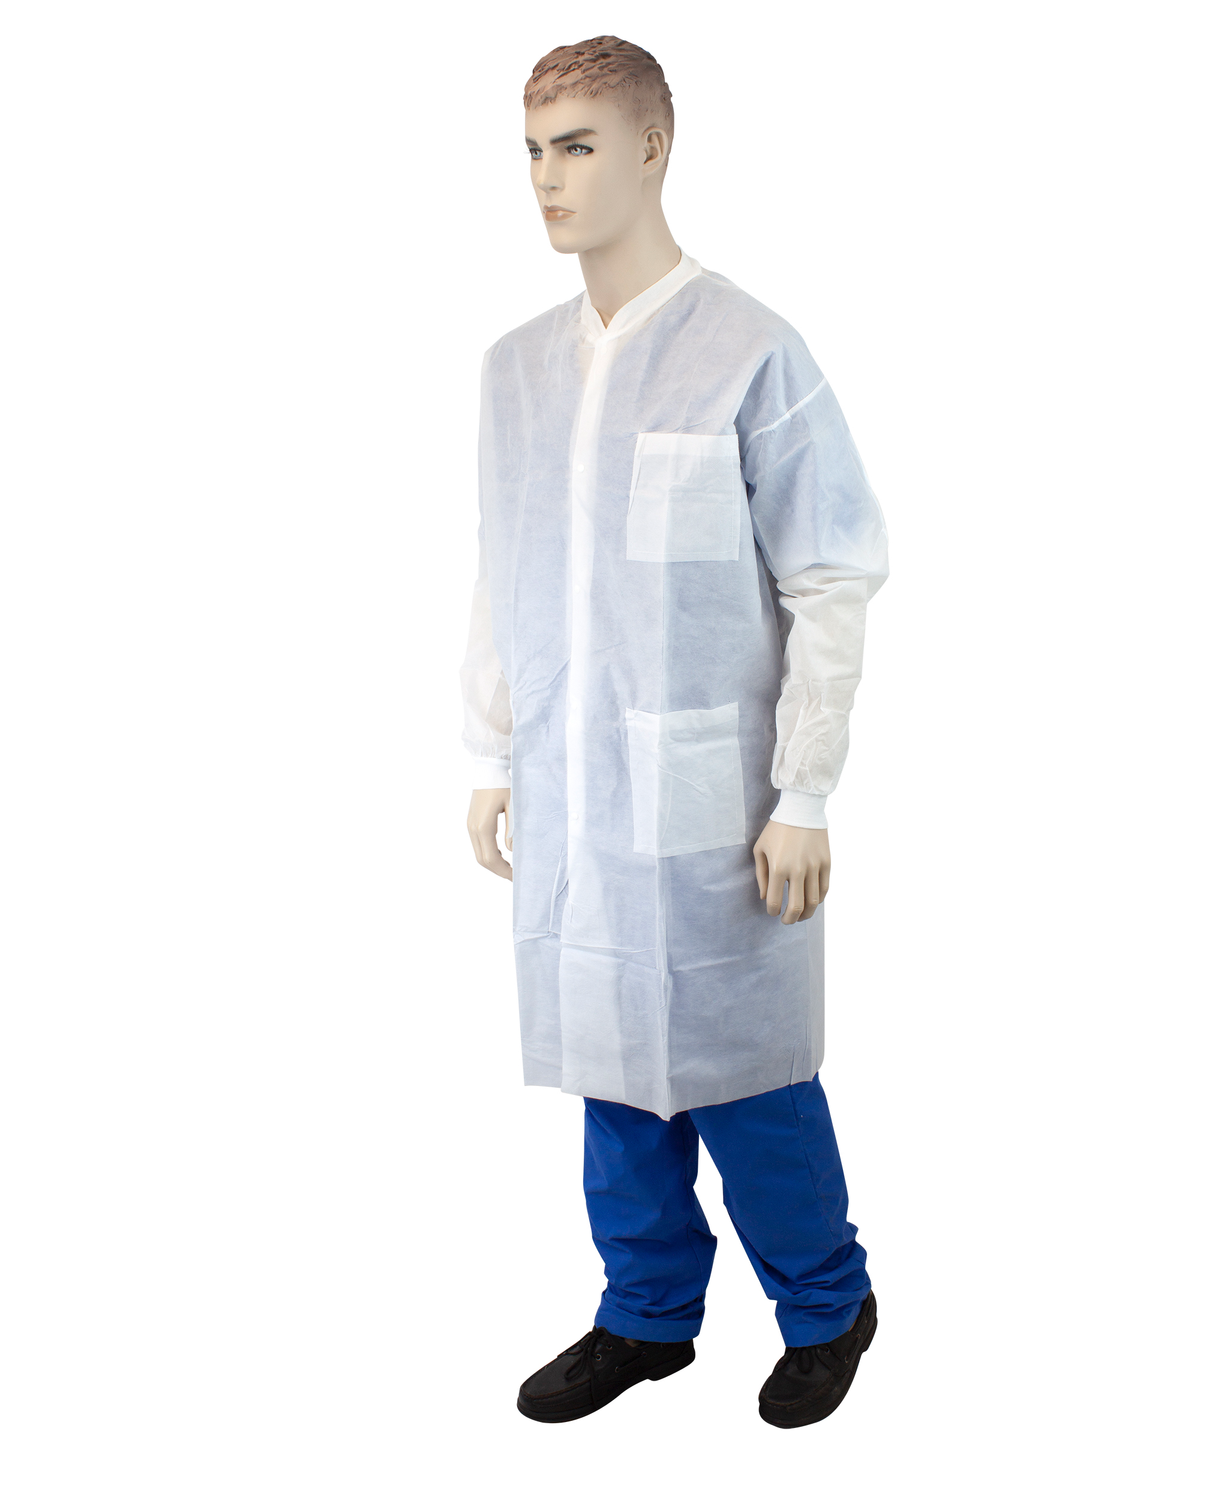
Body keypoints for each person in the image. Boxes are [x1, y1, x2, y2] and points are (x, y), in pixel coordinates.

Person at [460, 36, 889, 1428]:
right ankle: (646, 1313)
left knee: (746, 1074)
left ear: (653, 148)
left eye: (579, 145)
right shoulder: (517, 369)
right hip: (574, 787)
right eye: (535, 150)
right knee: (610, 1064)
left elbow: (830, 572)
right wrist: (494, 751)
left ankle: (827, 1303)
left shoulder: (750, 351)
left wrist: (805, 791)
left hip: (717, 797)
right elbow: (506, 567)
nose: (549, 178)